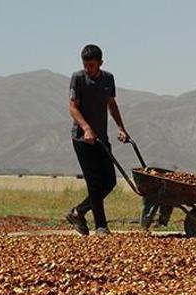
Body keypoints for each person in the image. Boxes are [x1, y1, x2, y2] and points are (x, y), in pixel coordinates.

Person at [65, 44, 130, 235]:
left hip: (101, 138)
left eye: (92, 65)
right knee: (94, 182)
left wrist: (121, 128)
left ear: (100, 63)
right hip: (82, 139)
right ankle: (101, 225)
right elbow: (73, 107)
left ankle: (78, 212)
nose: (88, 69)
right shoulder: (78, 78)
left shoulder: (108, 78)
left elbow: (111, 104)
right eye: (85, 65)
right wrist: (86, 129)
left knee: (109, 181)